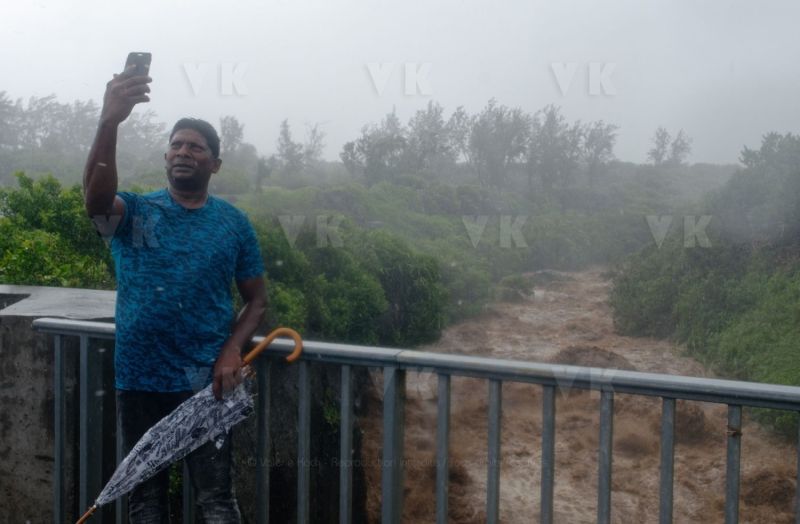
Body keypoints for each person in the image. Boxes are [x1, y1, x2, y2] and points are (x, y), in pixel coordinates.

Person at [83, 64, 266, 523]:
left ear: (214, 164)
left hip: (206, 383)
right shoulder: (136, 211)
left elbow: (257, 299)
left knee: (216, 499)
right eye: (177, 145)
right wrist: (109, 121)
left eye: (196, 147)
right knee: (145, 501)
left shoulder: (233, 224)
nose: (184, 151)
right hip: (138, 380)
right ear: (166, 156)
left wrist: (232, 350)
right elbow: (95, 203)